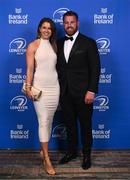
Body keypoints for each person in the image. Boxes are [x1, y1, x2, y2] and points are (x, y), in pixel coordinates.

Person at [57, 11, 100, 170]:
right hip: (65, 92)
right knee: (69, 125)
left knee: (86, 125)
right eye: (66, 22)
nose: (69, 25)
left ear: (78, 23)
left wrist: (91, 90)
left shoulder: (89, 42)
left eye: (72, 22)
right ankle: (71, 152)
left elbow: (95, 69)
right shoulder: (59, 42)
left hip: (84, 93)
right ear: (63, 24)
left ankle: (87, 154)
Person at [25, 17, 59, 175]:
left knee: (49, 120)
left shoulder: (54, 45)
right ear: (39, 29)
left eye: (49, 28)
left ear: (52, 31)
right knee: (43, 121)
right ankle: (46, 158)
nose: (46, 30)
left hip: (54, 88)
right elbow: (30, 69)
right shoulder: (33, 45)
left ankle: (42, 149)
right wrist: (28, 87)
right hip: (40, 89)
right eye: (44, 27)